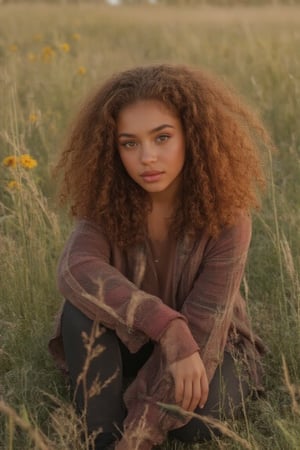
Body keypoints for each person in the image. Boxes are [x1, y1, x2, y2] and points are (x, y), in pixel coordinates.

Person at [49, 63, 270, 450]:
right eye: (129, 143)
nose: (147, 157)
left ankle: (136, 411)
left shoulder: (229, 217)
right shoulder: (106, 205)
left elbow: (204, 328)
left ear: (192, 136)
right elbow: (75, 269)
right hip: (134, 339)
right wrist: (167, 326)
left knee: (192, 425)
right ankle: (103, 435)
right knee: (80, 309)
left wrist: (142, 432)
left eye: (162, 137)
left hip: (211, 343)